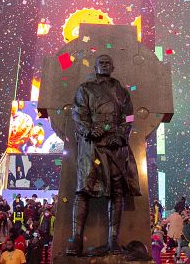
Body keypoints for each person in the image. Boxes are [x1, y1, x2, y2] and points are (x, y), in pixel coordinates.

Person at [66, 55, 141, 256]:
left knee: (117, 192)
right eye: (102, 62)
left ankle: (113, 241)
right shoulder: (85, 89)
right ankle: (75, 240)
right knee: (83, 189)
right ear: (96, 66)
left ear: (113, 66)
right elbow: (78, 112)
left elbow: (130, 116)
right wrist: (89, 130)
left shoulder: (122, 93)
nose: (105, 65)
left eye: (108, 62)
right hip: (92, 144)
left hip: (115, 144)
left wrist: (121, 134)